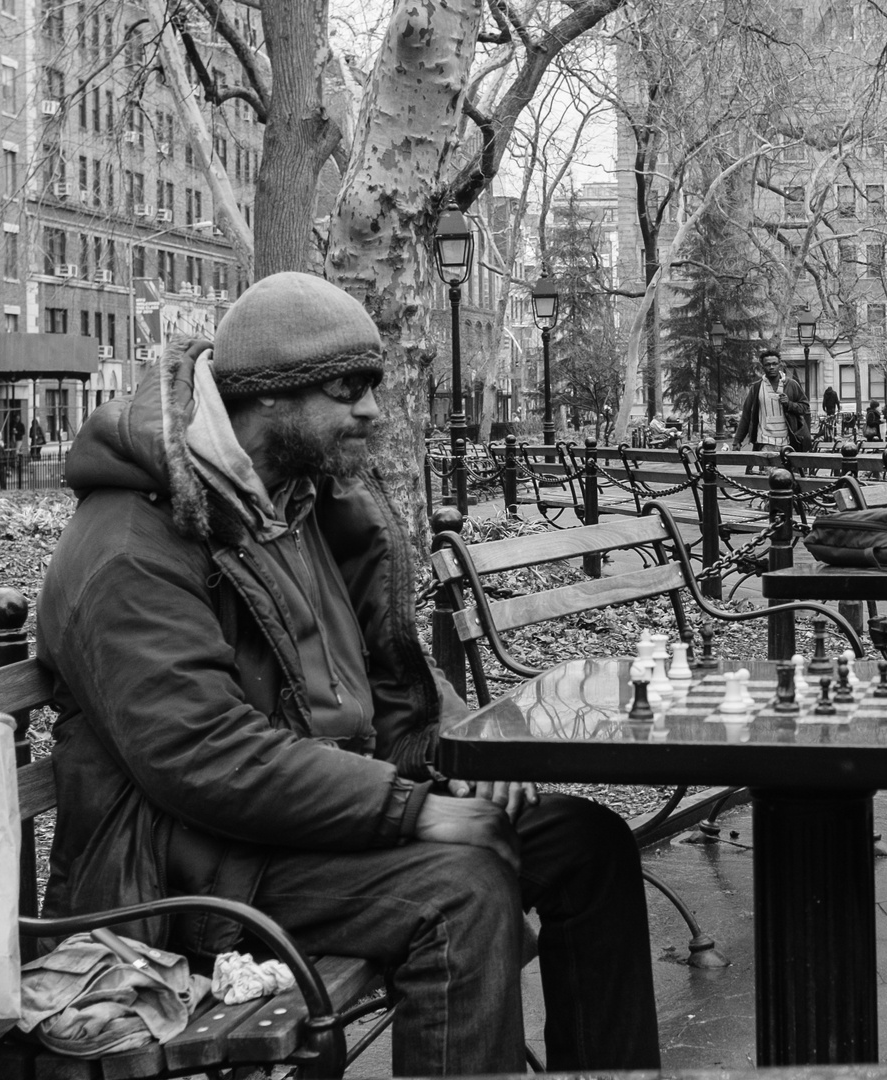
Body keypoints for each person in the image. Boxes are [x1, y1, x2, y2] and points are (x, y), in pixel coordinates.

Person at [35, 272, 660, 1077]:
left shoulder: (300, 505)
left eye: (373, 385)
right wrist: (411, 813)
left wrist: (465, 758)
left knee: (583, 842)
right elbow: (203, 756)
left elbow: (387, 685)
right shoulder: (132, 544)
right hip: (195, 866)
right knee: (458, 890)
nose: (372, 409)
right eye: (347, 388)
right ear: (268, 400)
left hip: (314, 817)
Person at [733, 348, 810, 453]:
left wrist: (789, 404)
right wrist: (737, 441)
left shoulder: (791, 385)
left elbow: (805, 408)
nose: (771, 367)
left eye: (774, 364)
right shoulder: (756, 388)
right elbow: (746, 416)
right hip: (764, 442)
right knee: (767, 470)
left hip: (788, 442)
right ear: (762, 367)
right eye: (768, 365)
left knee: (786, 470)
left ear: (780, 365)